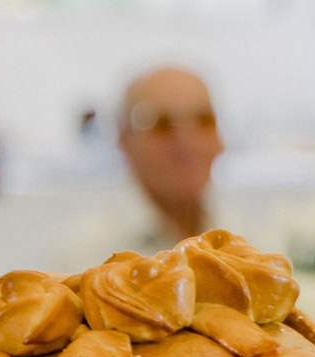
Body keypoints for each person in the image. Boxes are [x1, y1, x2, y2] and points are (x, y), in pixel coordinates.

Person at [57, 65, 228, 266]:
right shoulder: (85, 257)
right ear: (123, 140)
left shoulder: (251, 236)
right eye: (162, 124)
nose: (188, 142)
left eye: (203, 120)